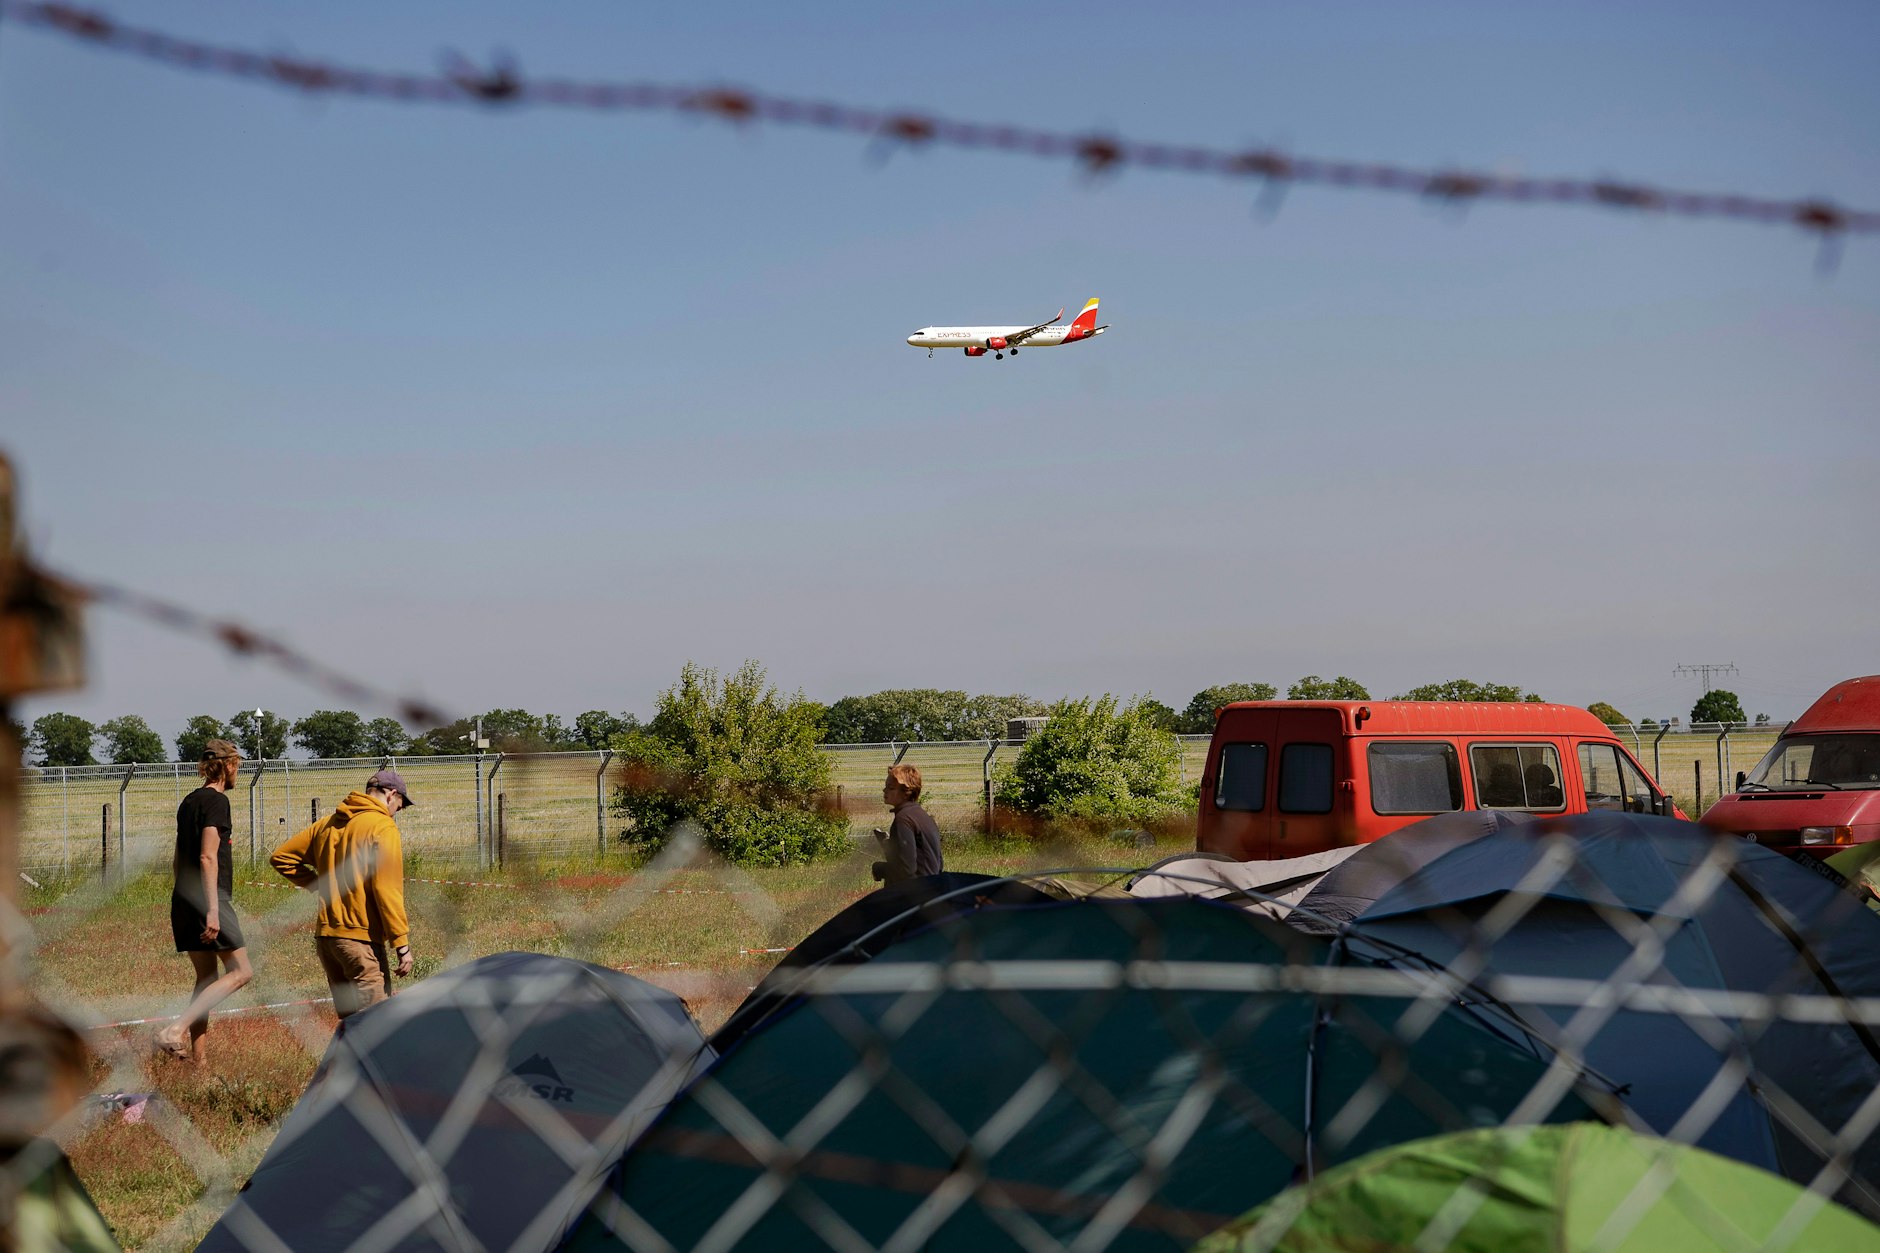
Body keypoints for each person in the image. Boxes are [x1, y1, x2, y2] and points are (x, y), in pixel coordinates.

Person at [269, 768, 416, 1019]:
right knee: (376, 1022)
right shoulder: (383, 826)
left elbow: (281, 857)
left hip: (328, 939)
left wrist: (320, 885)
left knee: (351, 1023)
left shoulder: (328, 823)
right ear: (391, 795)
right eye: (400, 806)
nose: (397, 812)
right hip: (361, 939)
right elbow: (386, 889)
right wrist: (401, 944)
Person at [156, 740, 253, 1062]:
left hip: (184, 898)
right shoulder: (216, 802)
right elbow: (207, 857)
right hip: (209, 900)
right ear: (228, 766)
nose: (238, 771)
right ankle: (174, 1030)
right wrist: (212, 909)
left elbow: (176, 858)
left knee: (207, 979)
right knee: (241, 971)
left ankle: (199, 1062)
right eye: (238, 765)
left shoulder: (189, 801)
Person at [871, 764, 942, 883]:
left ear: (906, 792)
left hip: (914, 894)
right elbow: (938, 863)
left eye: (891, 788)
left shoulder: (903, 820)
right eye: (886, 786)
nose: (885, 790)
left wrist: (878, 868)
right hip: (933, 890)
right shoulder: (923, 815)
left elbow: (906, 869)